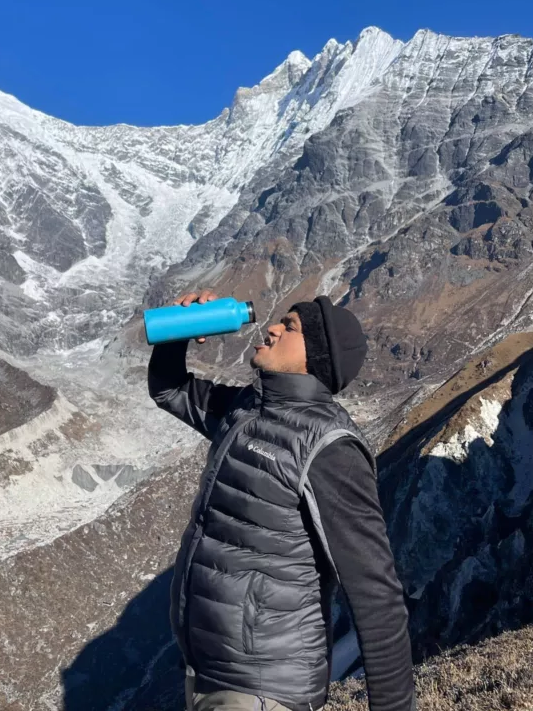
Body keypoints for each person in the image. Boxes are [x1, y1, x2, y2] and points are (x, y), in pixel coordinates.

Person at [148, 289, 416, 711]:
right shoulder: (247, 410)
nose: (272, 328)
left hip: (263, 688)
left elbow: (375, 594)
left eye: (289, 327)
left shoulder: (330, 448)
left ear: (318, 356)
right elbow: (169, 390)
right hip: (209, 673)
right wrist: (177, 332)